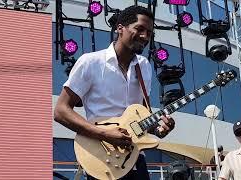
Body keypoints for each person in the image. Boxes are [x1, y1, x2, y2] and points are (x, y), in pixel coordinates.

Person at [54, 5, 175, 180]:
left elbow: (141, 118)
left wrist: (159, 129)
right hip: (103, 159)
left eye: (149, 33)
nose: (145, 36)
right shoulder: (91, 62)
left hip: (135, 159)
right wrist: (104, 134)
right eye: (139, 29)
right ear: (120, 28)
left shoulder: (145, 67)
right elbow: (61, 111)